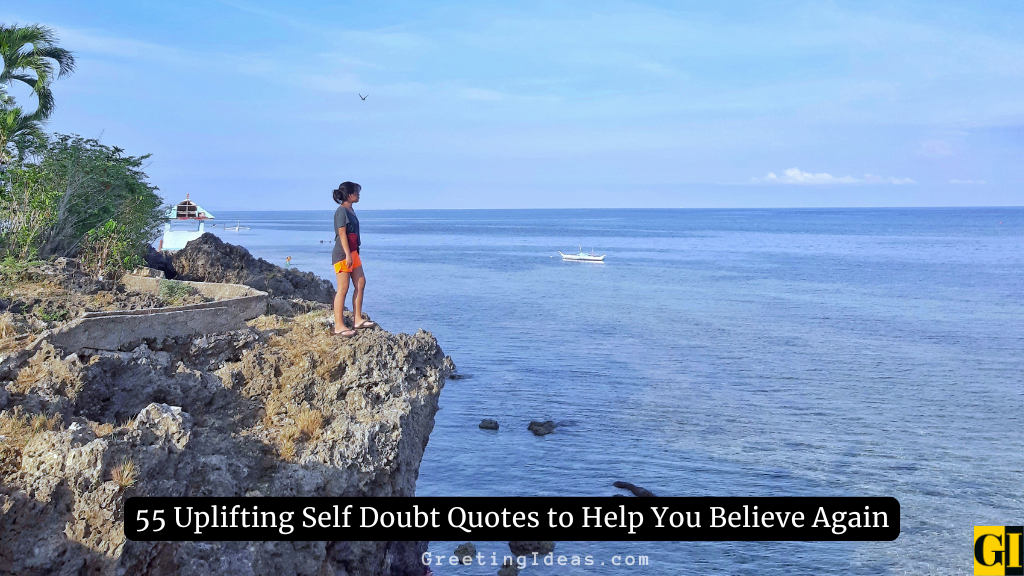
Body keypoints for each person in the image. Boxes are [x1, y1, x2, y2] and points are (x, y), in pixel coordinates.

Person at [331, 181, 376, 336]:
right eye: (357, 192)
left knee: (361, 283)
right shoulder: (341, 211)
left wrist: (354, 253)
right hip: (343, 254)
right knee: (343, 288)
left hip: (354, 252)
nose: (359, 195)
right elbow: (342, 235)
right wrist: (348, 254)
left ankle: (357, 319)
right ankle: (339, 326)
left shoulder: (351, 210)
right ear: (349, 195)